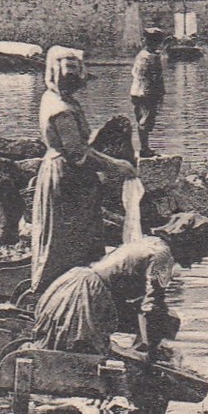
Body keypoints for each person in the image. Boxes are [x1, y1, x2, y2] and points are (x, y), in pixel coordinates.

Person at [28, 212, 208, 356]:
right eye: (201, 254)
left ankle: (138, 353)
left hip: (73, 284)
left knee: (167, 317)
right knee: (163, 318)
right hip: (85, 296)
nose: (198, 261)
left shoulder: (150, 242)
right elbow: (152, 305)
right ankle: (142, 362)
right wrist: (151, 352)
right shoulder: (163, 256)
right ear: (190, 244)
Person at [28, 46, 138, 295]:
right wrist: (116, 166)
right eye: (70, 80)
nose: (76, 86)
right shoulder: (61, 110)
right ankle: (61, 291)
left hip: (68, 173)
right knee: (67, 239)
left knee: (74, 236)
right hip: (66, 177)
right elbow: (77, 153)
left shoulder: (55, 98)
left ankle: (75, 289)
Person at [130, 28, 168, 158]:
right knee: (147, 121)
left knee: (141, 119)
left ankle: (143, 147)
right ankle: (144, 149)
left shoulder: (141, 55)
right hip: (148, 92)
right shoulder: (153, 57)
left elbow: (135, 73)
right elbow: (156, 78)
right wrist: (161, 94)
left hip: (136, 91)